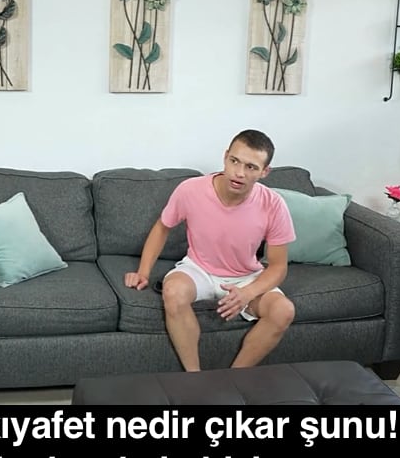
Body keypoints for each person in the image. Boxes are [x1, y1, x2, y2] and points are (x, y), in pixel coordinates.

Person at [124, 129, 296, 372]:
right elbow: (162, 226)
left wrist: (247, 293)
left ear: (264, 172)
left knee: (284, 311)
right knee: (173, 292)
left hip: (246, 276)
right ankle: (195, 378)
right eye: (234, 161)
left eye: (251, 167)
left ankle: (233, 379)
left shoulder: (274, 204)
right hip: (199, 269)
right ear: (225, 156)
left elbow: (278, 266)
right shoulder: (190, 190)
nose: (239, 173)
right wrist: (143, 272)